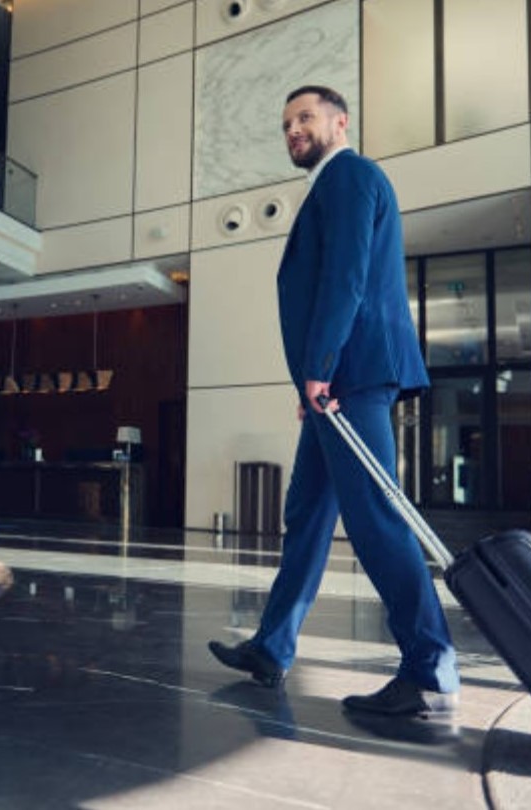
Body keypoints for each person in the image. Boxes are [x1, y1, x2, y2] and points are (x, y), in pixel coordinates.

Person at [208, 86, 460, 717]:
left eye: (306, 117)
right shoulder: (332, 183)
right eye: (287, 121)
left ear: (339, 122)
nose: (294, 128)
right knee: (308, 515)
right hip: (333, 385)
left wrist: (319, 370)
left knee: (375, 517)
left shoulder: (348, 175)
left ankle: (430, 667)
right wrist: (311, 383)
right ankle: (272, 646)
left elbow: (345, 277)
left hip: (350, 378)